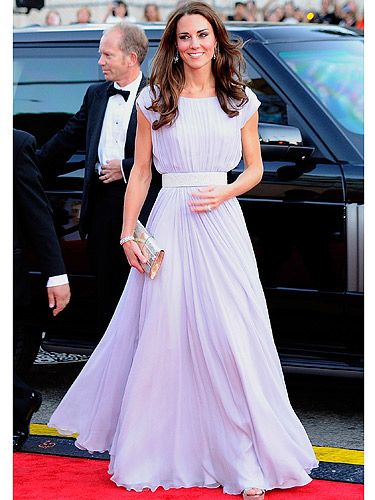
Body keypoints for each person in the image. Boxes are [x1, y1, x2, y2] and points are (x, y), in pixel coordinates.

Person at [47, 2, 318, 498]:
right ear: (174, 44)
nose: (194, 45)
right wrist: (129, 232)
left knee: (232, 336)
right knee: (165, 337)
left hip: (221, 220)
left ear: (217, 39)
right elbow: (142, 172)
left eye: (202, 35)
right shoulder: (155, 97)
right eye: (185, 37)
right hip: (169, 219)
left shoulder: (240, 99)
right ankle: (162, 449)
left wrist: (228, 191)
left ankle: (242, 458)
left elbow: (254, 169)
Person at [36, 23, 160, 338]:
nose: (100, 61)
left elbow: (174, 155)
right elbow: (66, 139)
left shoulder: (158, 97)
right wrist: (25, 165)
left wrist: (127, 166)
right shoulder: (95, 94)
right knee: (107, 294)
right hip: (102, 207)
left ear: (132, 58)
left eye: (107, 54)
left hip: (147, 209)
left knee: (147, 295)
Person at [13, 129, 71, 450]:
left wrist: (56, 274)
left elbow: (38, 214)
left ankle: (18, 402)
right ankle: (20, 399)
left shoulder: (17, 144)